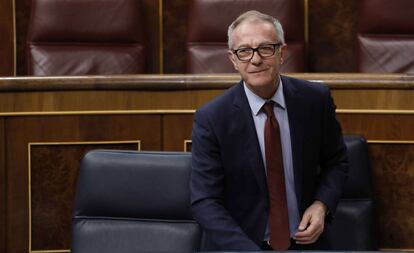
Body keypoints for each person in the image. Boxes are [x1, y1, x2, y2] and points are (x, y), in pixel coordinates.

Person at [190, 10, 349, 251]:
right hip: (243, 246)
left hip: (307, 244)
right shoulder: (212, 118)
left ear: (281, 53)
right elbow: (205, 201)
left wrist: (321, 204)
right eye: (244, 51)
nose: (255, 59)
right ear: (233, 60)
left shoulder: (315, 101)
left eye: (265, 48)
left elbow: (336, 161)